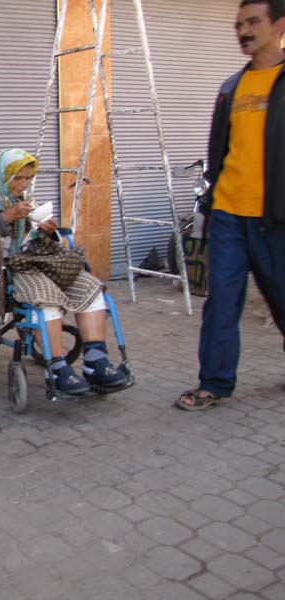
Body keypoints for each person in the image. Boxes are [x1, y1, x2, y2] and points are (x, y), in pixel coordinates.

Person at [176, 0, 285, 410]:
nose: (243, 30)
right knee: (222, 301)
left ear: (279, 25)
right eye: (239, 24)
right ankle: (215, 382)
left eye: (253, 22)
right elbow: (218, 150)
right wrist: (212, 199)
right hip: (229, 216)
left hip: (277, 219)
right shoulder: (230, 88)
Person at [0, 148, 127, 395]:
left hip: (39, 259)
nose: (23, 184)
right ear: (2, 175)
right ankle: (57, 367)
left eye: (28, 178)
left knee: (90, 287)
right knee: (45, 297)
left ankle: (96, 361)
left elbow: (34, 234)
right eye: (18, 178)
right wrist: (6, 216)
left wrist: (47, 229)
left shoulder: (25, 199)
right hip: (9, 267)